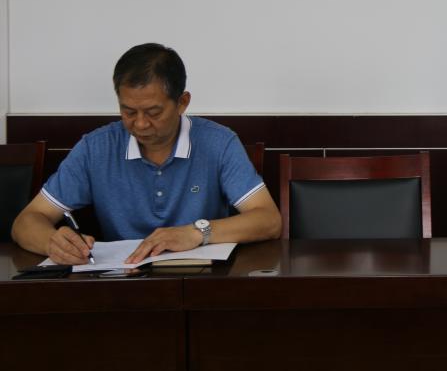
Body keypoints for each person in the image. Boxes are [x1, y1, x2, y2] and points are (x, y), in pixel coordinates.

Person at [12, 43, 281, 264]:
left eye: (153, 112)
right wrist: (53, 243)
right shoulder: (96, 148)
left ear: (182, 102)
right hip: (121, 284)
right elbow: (26, 221)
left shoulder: (218, 143)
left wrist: (196, 232)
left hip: (201, 282)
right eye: (128, 111)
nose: (139, 124)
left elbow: (269, 220)